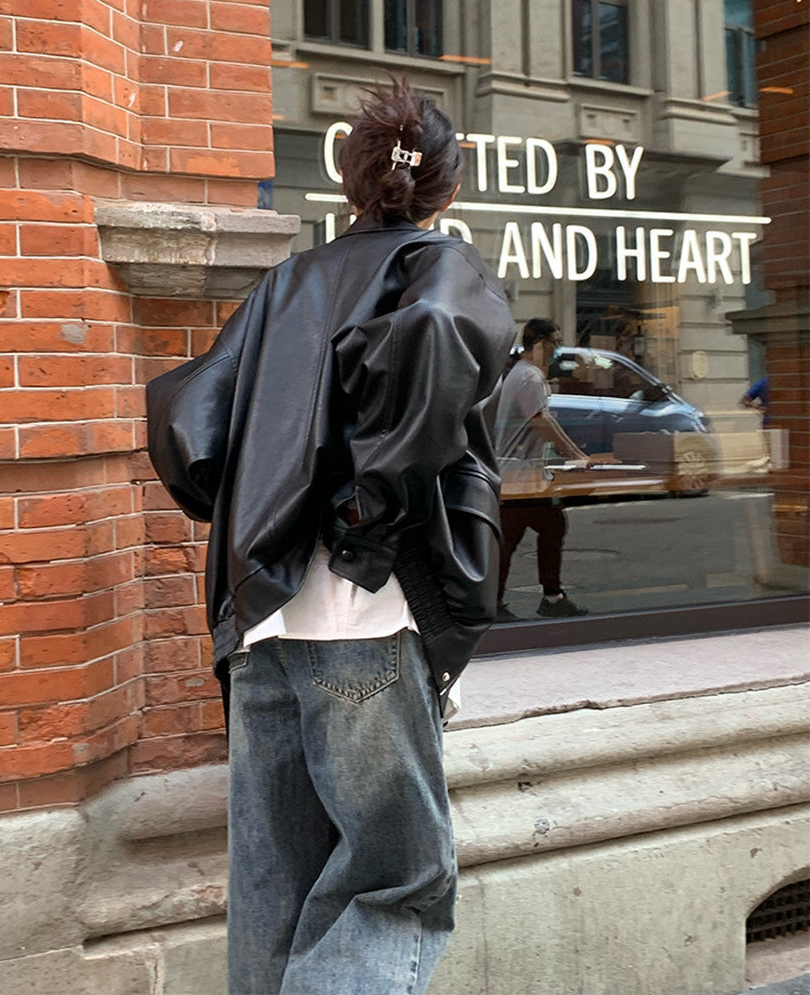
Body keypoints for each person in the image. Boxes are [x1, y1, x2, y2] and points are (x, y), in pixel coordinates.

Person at [146, 80, 515, 995]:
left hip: (264, 619)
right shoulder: (439, 268)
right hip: (367, 619)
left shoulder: (286, 284)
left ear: (351, 184)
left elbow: (189, 423)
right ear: (447, 188)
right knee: (395, 886)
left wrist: (267, 526)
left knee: (273, 891)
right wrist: (364, 528)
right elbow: (436, 342)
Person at [494, 318, 593, 621]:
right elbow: (541, 421)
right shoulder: (530, 376)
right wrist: (575, 455)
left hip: (523, 474)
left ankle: (547, 597)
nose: (555, 351)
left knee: (544, 528)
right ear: (540, 344)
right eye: (553, 343)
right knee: (517, 536)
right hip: (521, 477)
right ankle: (535, 599)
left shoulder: (521, 373)